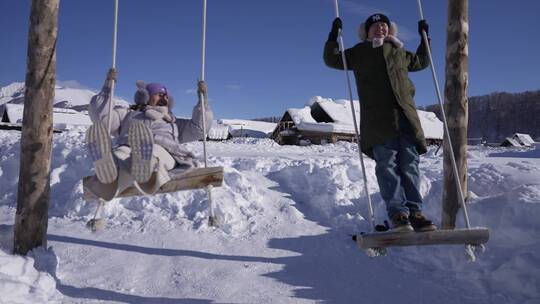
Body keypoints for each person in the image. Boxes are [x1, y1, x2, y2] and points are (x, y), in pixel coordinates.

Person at [323, 13, 436, 232]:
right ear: (366, 32)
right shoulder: (360, 52)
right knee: (388, 167)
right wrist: (333, 36)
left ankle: (416, 213)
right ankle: (398, 214)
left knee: (410, 166)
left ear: (390, 30)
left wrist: (425, 38)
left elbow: (422, 61)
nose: (380, 29)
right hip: (379, 121)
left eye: (384, 26)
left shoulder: (399, 51)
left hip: (406, 117)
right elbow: (332, 59)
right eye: (375, 26)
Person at [85, 68, 213, 200]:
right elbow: (102, 118)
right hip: (129, 148)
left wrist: (203, 103)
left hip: (165, 152)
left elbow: (199, 129)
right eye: (158, 94)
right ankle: (109, 173)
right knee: (121, 154)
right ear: (145, 96)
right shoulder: (127, 114)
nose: (164, 97)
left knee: (154, 152)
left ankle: (147, 165)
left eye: (165, 95)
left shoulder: (173, 122)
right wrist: (107, 89)